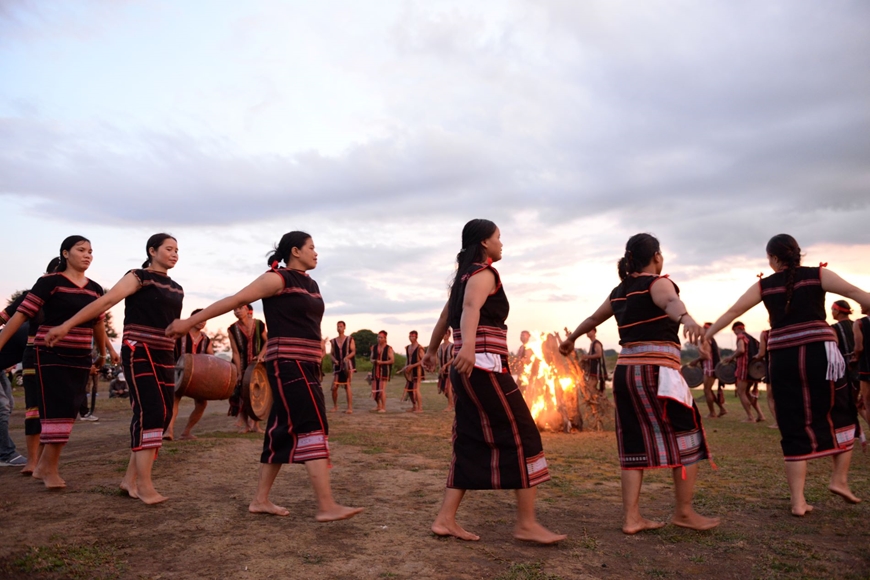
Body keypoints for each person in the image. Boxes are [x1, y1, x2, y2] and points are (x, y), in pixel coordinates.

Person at [166, 231, 362, 521]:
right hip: (289, 364)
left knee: (280, 431)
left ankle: (260, 500)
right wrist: (189, 322)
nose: (316, 253)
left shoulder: (312, 284)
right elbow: (235, 298)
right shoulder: (277, 278)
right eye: (312, 247)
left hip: (308, 365)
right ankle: (326, 505)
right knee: (312, 425)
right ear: (295, 251)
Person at [560, 233, 719, 534]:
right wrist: (688, 321)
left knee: (633, 440)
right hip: (658, 373)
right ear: (656, 257)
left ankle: (632, 518)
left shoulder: (620, 291)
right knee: (687, 435)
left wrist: (571, 338)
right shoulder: (657, 282)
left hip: (626, 374)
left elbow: (594, 318)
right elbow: (670, 300)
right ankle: (683, 513)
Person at [421, 218, 565, 544]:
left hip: (470, 367)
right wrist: (469, 347)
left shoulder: (462, 278)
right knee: (523, 434)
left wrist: (432, 351)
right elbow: (470, 308)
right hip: (482, 365)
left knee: (470, 439)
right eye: (499, 237)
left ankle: (445, 519)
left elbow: (447, 317)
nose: (502, 243)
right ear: (485, 242)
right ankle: (526, 524)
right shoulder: (483, 275)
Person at [706, 233, 869, 516]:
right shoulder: (819, 274)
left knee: (792, 423)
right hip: (821, 355)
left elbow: (733, 311)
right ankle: (839, 479)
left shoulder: (764, 285)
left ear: (773, 259)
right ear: (797, 254)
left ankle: (798, 502)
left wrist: (707, 332)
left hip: (783, 359)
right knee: (841, 412)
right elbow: (858, 294)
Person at [46, 233, 182, 504]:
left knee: (163, 414)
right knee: (150, 411)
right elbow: (105, 303)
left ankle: (129, 480)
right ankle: (144, 485)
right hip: (138, 350)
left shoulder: (177, 288)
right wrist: (67, 325)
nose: (175, 253)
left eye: (177, 250)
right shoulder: (138, 277)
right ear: (152, 251)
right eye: (169, 249)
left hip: (165, 353)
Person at [0, 236, 108, 489]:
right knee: (54, 410)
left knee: (70, 411)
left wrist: (102, 354)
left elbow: (98, 323)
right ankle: (49, 469)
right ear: (65, 254)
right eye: (81, 250)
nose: (87, 255)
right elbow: (20, 315)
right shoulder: (49, 283)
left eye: (90, 251)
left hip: (80, 356)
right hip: (49, 355)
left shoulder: (95, 288)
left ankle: (44, 466)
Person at [164, 308, 214, 441]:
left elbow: (211, 357)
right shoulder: (180, 334)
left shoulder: (205, 339)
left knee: (202, 404)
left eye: (205, 320)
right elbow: (168, 348)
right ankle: (169, 430)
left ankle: (186, 432)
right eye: (199, 318)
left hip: (198, 376)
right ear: (192, 318)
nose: (202, 322)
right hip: (178, 372)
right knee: (174, 399)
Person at [228, 304, 268, 432]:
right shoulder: (232, 329)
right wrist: (238, 372)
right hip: (241, 364)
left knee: (258, 393)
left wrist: (261, 356)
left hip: (258, 365)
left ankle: (256, 425)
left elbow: (267, 341)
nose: (237, 311)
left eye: (240, 308)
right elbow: (235, 352)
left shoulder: (259, 324)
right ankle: (246, 425)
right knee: (242, 393)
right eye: (235, 309)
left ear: (247, 310)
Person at [721, 322, 765, 423]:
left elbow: (741, 350)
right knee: (747, 393)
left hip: (744, 368)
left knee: (741, 392)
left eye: (734, 331)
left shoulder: (741, 336)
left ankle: (750, 417)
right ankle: (760, 415)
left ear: (737, 329)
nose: (735, 334)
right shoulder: (752, 339)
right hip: (754, 370)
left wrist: (731, 357)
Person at [692, 322, 726, 418]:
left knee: (707, 390)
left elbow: (706, 355)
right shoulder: (710, 340)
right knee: (708, 390)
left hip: (709, 367)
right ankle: (722, 409)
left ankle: (712, 413)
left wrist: (696, 360)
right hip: (712, 367)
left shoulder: (705, 340)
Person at [329, 321, 355, 414]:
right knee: (334, 387)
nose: (339, 328)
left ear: (344, 328)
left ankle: (350, 408)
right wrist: (334, 360)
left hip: (347, 366)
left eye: (341, 326)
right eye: (338, 326)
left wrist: (347, 357)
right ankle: (335, 406)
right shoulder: (333, 341)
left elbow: (353, 351)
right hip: (337, 366)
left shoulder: (349, 339)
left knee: (347, 385)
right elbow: (331, 354)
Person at [756, 328, 777, 429]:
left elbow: (761, 353)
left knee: (771, 397)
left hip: (773, 367)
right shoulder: (792, 328)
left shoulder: (766, 333)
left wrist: (755, 358)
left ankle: (778, 423)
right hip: (792, 367)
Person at [370, 331, 393, 413]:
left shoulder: (388, 348)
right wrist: (375, 361)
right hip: (375, 370)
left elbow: (392, 360)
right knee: (374, 390)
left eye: (381, 337)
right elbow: (371, 359)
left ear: (385, 338)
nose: (379, 339)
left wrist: (382, 362)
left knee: (381, 390)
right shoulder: (374, 347)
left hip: (384, 371)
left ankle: (383, 407)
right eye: (378, 337)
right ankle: (378, 405)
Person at [402, 331, 425, 413]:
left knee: (416, 389)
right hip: (409, 372)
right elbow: (408, 359)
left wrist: (412, 366)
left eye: (413, 336)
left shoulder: (419, 348)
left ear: (416, 337)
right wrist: (406, 367)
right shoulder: (408, 347)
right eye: (410, 336)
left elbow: (423, 360)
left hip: (417, 371)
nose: (411, 338)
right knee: (409, 389)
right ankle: (414, 406)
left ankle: (420, 408)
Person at [854, 315, 870, 427]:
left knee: (867, 404)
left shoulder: (860, 323)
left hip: (867, 369)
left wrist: (855, 358)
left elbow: (859, 348)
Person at [580, 328, 607, 394]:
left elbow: (599, 354)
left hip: (597, 370)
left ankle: (600, 400)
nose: (587, 333)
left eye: (588, 331)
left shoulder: (596, 343)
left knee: (590, 388)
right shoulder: (592, 343)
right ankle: (599, 398)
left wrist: (587, 356)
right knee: (590, 388)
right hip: (593, 370)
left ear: (593, 332)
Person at [436, 329, 455, 411]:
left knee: (449, 388)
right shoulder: (440, 347)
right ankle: (453, 403)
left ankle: (450, 406)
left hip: (450, 370)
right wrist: (438, 367)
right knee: (444, 389)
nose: (445, 335)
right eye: (443, 333)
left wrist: (446, 365)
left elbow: (454, 357)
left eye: (446, 333)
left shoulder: (452, 346)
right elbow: (437, 358)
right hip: (442, 371)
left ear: (449, 335)